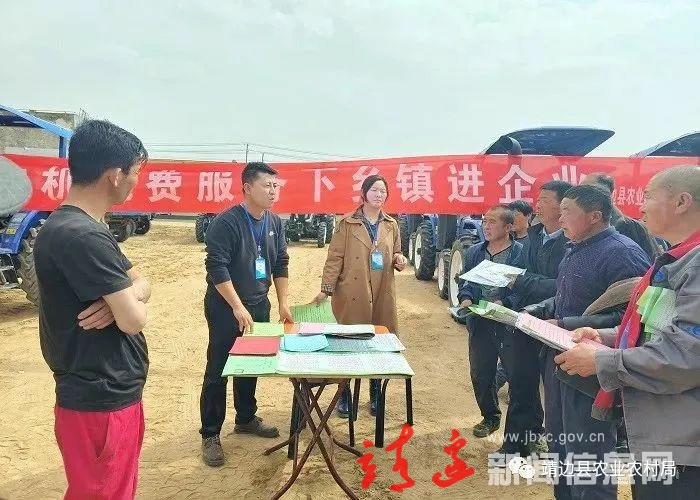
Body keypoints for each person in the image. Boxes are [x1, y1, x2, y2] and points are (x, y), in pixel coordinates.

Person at [556, 166, 700, 499]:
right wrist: (606, 336)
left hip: (685, 443)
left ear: (682, 202)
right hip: (663, 429)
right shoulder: (676, 259)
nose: (640, 207)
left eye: (648, 196)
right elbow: (656, 329)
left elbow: (688, 356)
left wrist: (603, 360)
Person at [33, 120, 151, 499]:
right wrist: (124, 304)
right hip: (100, 396)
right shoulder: (83, 235)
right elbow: (134, 319)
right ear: (115, 175)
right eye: (135, 173)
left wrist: (120, 299)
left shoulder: (82, 226)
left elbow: (141, 281)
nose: (136, 182)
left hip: (101, 392)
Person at [527, 184, 651, 500]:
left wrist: (566, 324)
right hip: (560, 360)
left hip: (591, 371)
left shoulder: (622, 253)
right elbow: (567, 298)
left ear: (594, 216)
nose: (559, 218)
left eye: (567, 211)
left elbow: (631, 319)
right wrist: (539, 311)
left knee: (588, 455)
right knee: (559, 443)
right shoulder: (575, 248)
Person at [199, 161, 292, 467]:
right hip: (226, 306)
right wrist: (237, 306)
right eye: (267, 185)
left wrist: (283, 302)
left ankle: (246, 418)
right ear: (248, 188)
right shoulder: (226, 222)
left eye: (276, 186)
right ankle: (210, 433)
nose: (273, 191)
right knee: (219, 368)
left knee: (251, 363)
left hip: (259, 304)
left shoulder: (275, 222)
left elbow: (280, 262)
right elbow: (216, 267)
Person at [312, 174, 407, 417]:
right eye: (374, 190)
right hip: (353, 291)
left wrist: (399, 259)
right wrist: (326, 289)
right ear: (364, 194)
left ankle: (375, 392)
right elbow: (334, 258)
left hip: (382, 291)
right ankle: (344, 394)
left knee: (379, 343)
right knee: (349, 342)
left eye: (383, 191)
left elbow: (397, 251)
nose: (379, 195)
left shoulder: (392, 224)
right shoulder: (347, 223)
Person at [496, 181, 572, 457]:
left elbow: (563, 286)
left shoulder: (572, 241)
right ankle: (515, 445)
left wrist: (527, 282)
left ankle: (552, 446)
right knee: (522, 385)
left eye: (545, 200)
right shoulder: (534, 235)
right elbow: (520, 276)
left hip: (560, 324)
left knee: (556, 392)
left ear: (563, 206)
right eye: (538, 200)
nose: (537, 205)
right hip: (527, 320)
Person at [457, 205, 525, 438]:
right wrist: (465, 298)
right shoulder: (475, 251)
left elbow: (524, 288)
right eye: (485, 221)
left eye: (492, 222)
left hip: (507, 322)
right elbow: (466, 281)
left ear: (508, 227)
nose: (486, 226)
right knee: (481, 372)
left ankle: (521, 429)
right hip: (479, 319)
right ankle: (490, 417)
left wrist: (506, 303)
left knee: (516, 374)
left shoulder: (520, 253)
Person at [582, 172, 661, 260]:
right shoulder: (581, 225)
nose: (580, 193)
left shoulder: (632, 227)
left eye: (585, 189)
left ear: (602, 193)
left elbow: (653, 261)